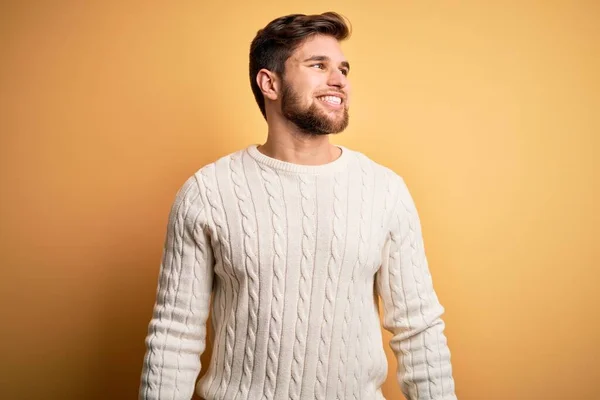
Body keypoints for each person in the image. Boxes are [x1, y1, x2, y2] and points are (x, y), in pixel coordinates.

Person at [139, 11, 456, 400]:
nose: (338, 79)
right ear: (269, 82)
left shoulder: (384, 190)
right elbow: (174, 335)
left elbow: (418, 329)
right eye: (318, 65)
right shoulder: (208, 192)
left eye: (342, 68)